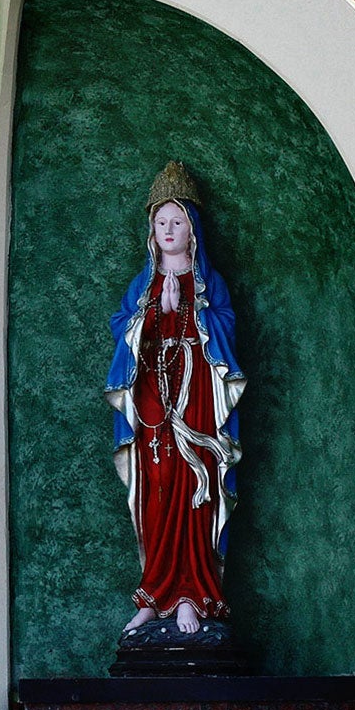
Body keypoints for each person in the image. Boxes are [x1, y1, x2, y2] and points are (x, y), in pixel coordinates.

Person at [104, 162, 246, 640]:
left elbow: (225, 329)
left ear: (192, 228)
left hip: (198, 402)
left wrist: (190, 312)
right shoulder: (141, 285)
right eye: (161, 222)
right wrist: (149, 315)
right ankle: (155, 594)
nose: (168, 230)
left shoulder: (210, 283)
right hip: (152, 406)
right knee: (157, 489)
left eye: (177, 221)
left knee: (194, 485)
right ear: (152, 229)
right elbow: (123, 334)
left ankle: (192, 592)